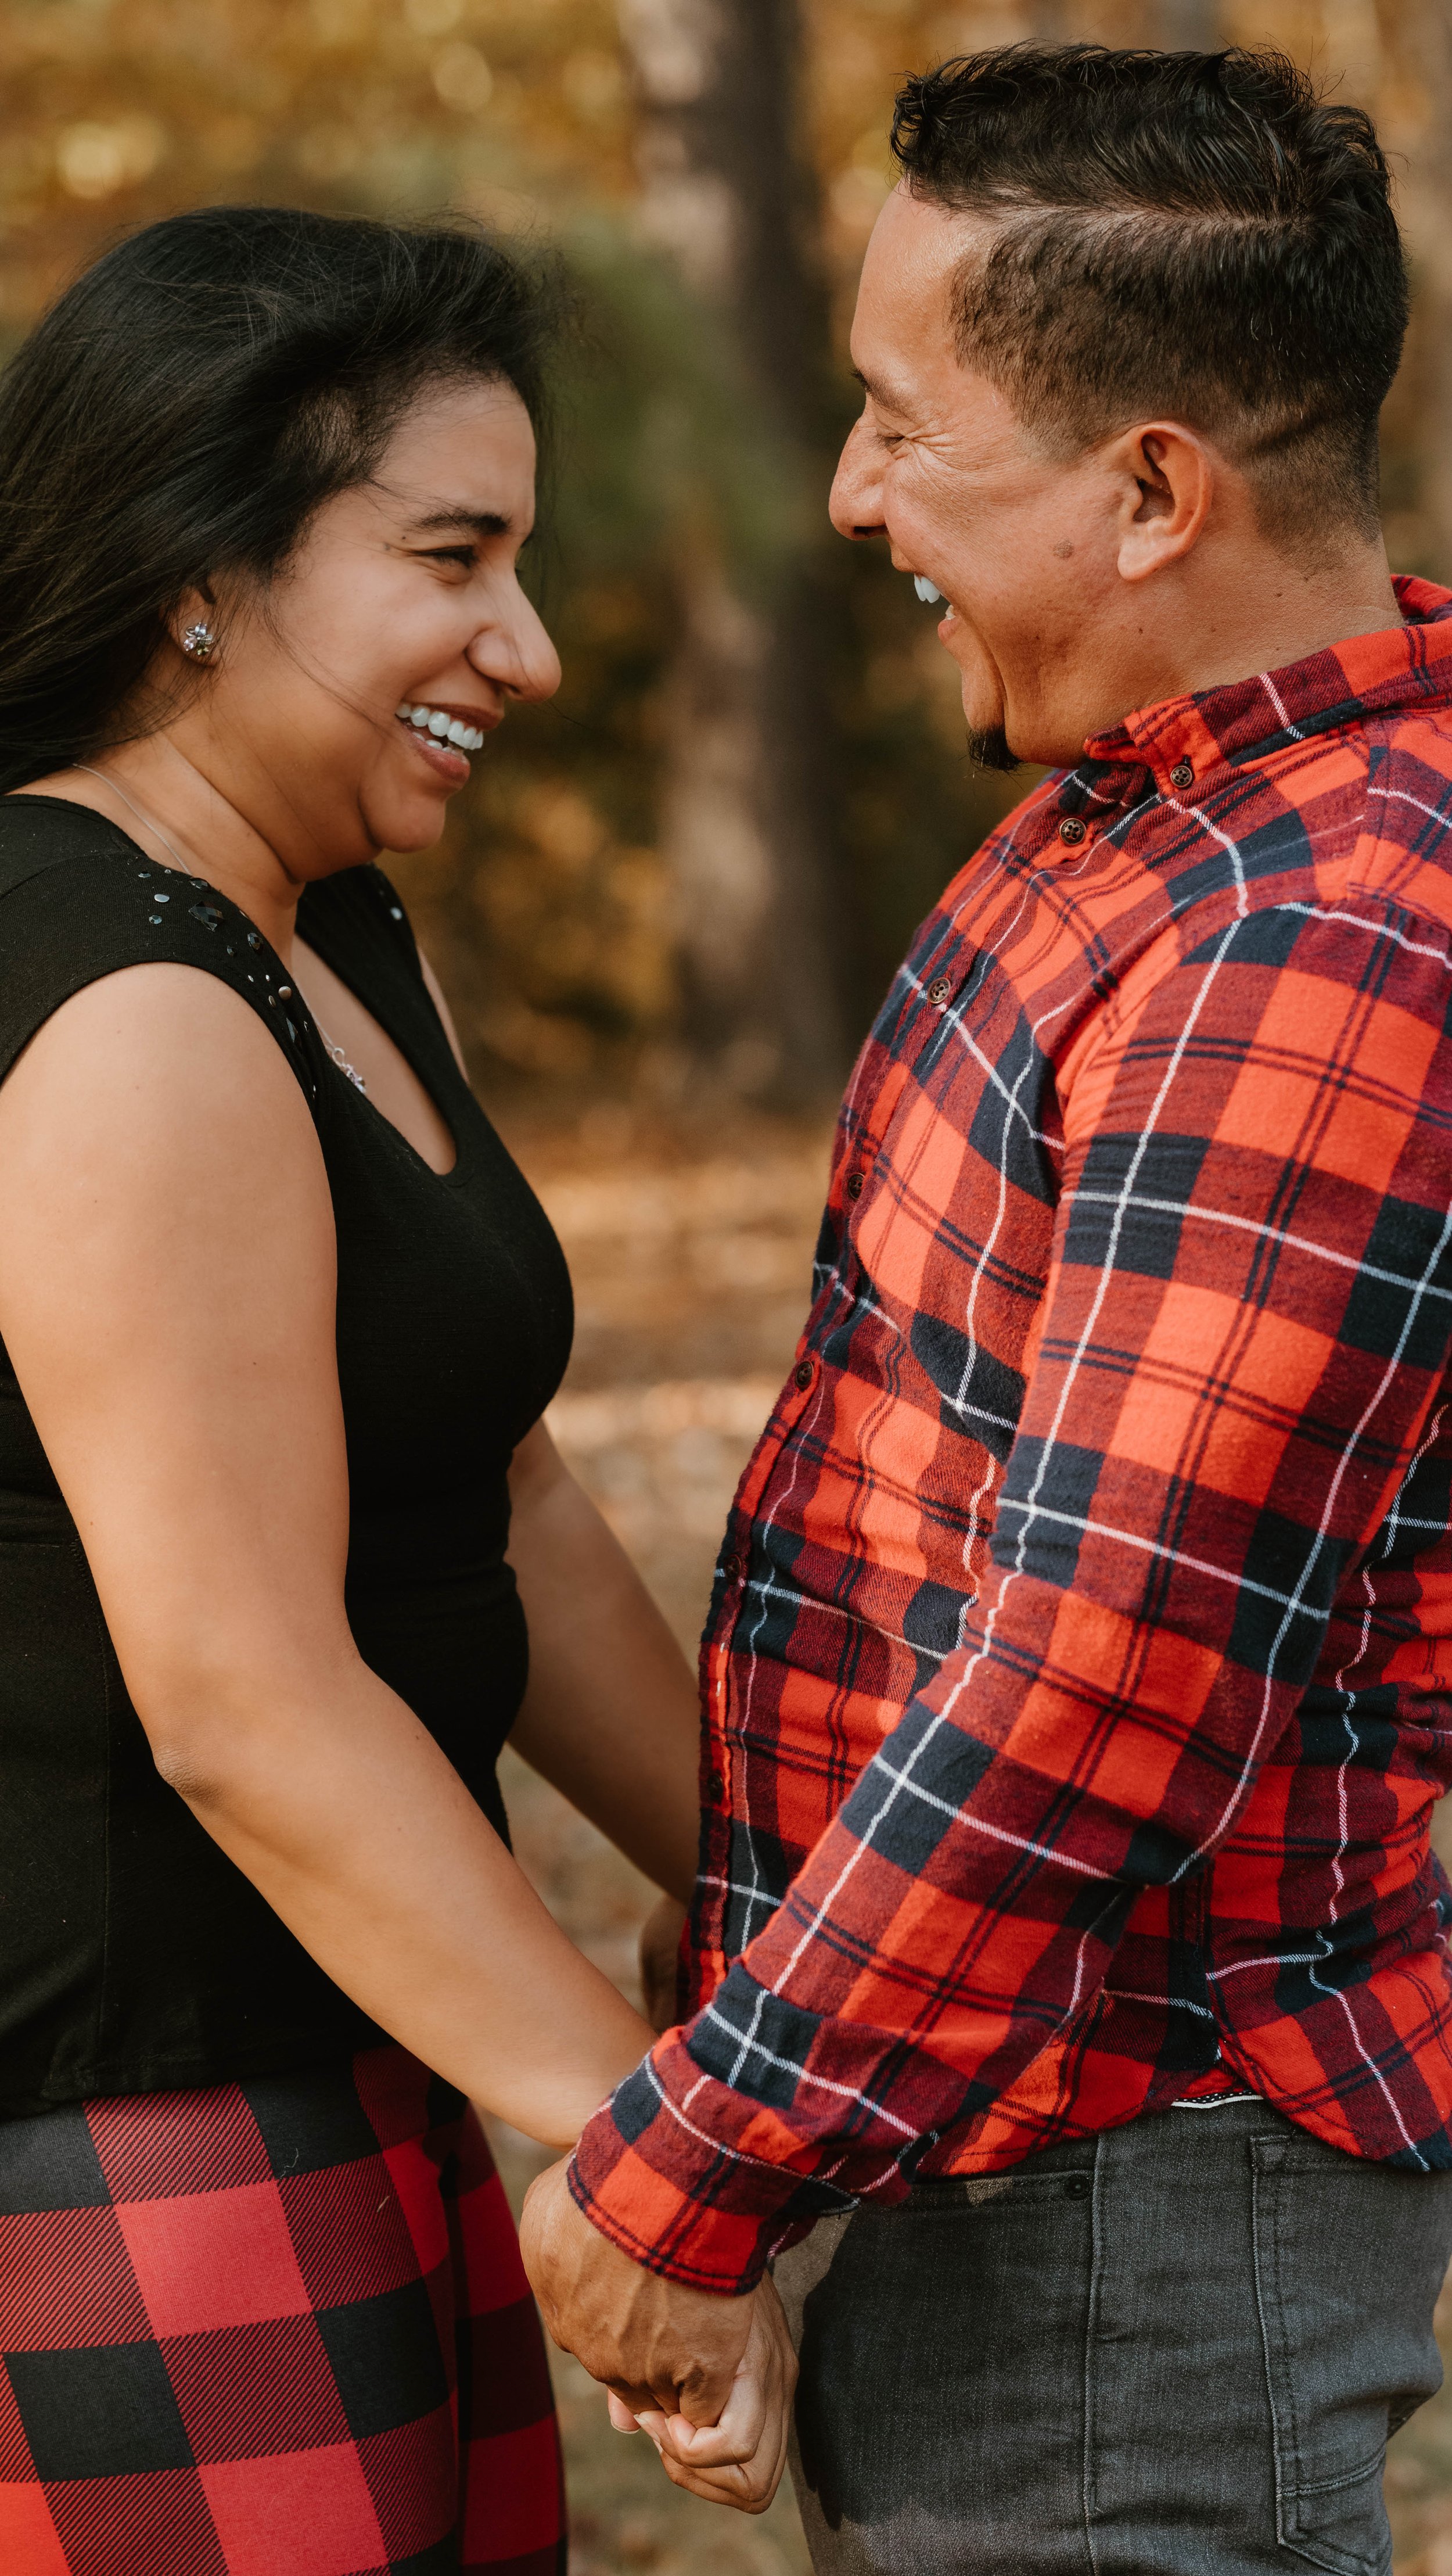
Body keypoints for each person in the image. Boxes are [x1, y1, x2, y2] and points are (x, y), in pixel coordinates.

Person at [522, 42, 1452, 2572]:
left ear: (1152, 493)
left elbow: (1101, 1660)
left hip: (1124, 2209)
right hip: (977, 2114)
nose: (845, 496)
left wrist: (695, 2154)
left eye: (896, 422)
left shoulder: (1315, 940)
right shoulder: (1144, 822)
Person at [0, 204, 783, 2576]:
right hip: (129, 2123)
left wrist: (770, 1915)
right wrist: (637, 2134)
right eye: (454, 554)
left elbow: (501, 1498)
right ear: (201, 567)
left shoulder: (313, 925)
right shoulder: (128, 1015)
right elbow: (236, 1689)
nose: (524, 647)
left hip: (357, 2050)